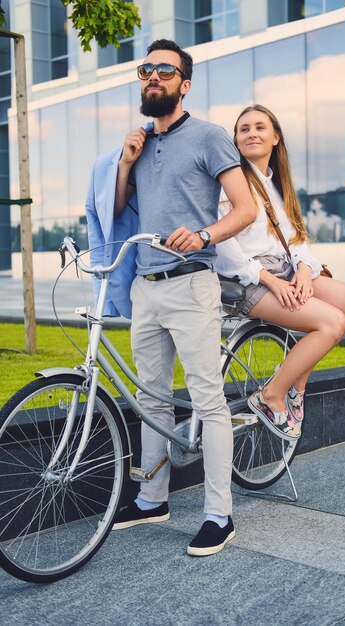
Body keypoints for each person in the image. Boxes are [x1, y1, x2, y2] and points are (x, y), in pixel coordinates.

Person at [86, 40, 256, 557]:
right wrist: (125, 163)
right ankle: (151, 498)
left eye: (165, 70)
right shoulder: (134, 145)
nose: (153, 77)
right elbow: (117, 210)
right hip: (146, 286)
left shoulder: (207, 137)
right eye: (146, 70)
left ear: (184, 83)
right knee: (151, 398)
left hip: (191, 281)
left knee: (207, 399)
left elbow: (245, 208)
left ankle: (218, 515)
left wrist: (203, 235)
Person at [216, 104, 345, 440]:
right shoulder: (231, 180)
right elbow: (223, 246)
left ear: (275, 136)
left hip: (284, 270)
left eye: (260, 127)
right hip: (249, 280)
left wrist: (302, 269)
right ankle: (270, 395)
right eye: (244, 129)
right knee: (331, 322)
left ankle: (297, 382)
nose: (252, 133)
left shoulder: (276, 183)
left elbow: (295, 238)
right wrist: (268, 279)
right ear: (236, 140)